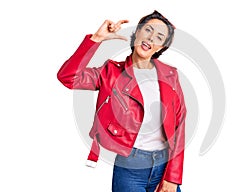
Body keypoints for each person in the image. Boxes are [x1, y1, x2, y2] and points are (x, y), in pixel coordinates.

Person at [57, 10, 186, 192]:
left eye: (159, 36)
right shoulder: (110, 73)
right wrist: (96, 38)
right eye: (148, 30)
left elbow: (179, 126)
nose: (150, 38)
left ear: (162, 46)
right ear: (137, 33)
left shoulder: (170, 75)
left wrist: (173, 177)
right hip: (130, 168)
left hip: (164, 167)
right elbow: (68, 77)